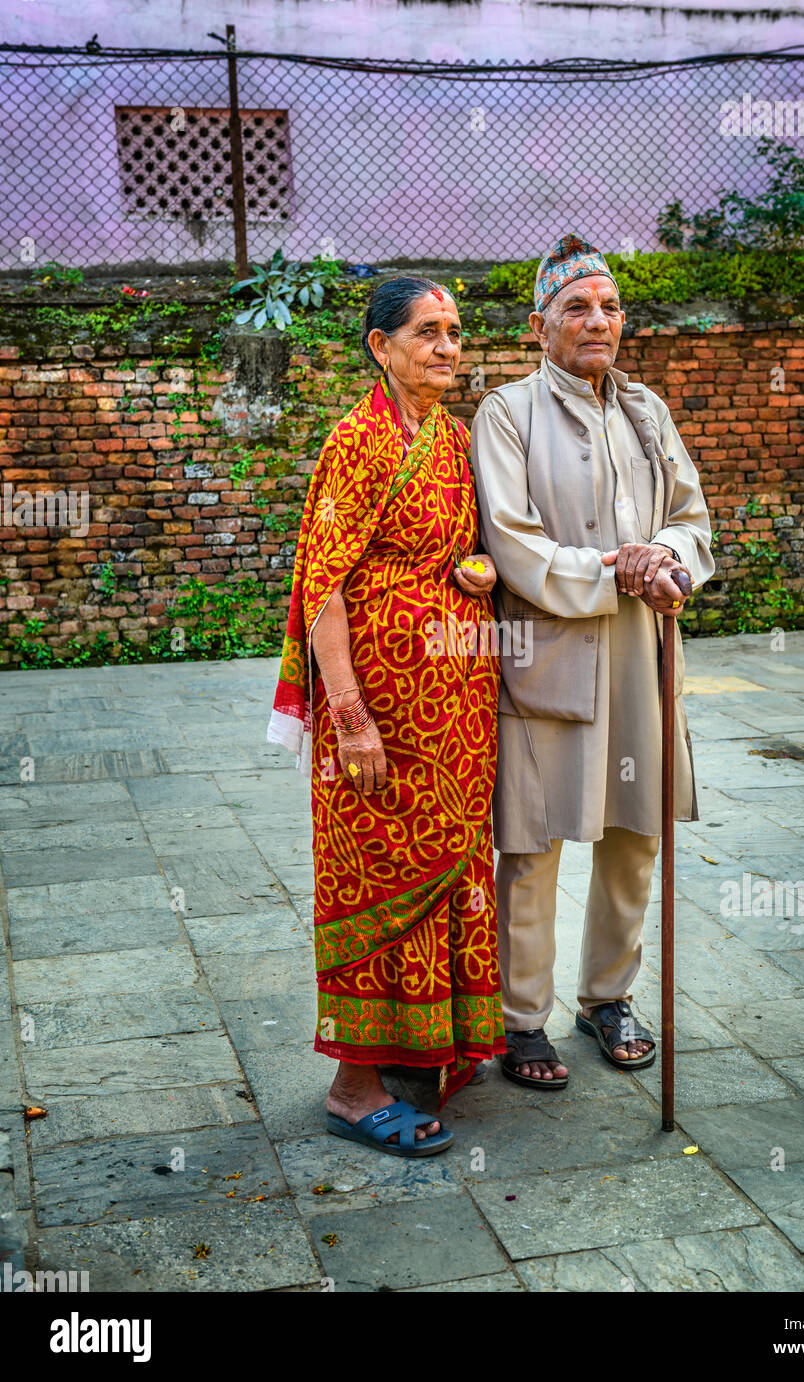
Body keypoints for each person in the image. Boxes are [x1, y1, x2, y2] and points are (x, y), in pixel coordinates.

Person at [470, 234, 714, 1089]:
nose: (597, 321)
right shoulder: (507, 413)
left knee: (633, 834)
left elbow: (692, 517)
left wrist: (668, 557)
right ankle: (520, 1020)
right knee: (533, 844)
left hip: (642, 652)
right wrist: (620, 566)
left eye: (609, 307)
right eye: (578, 307)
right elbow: (514, 547)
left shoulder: (647, 409)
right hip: (552, 655)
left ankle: (607, 998)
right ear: (541, 325)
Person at [268, 276, 506, 1155]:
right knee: (374, 881)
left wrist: (476, 570)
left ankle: (430, 1050)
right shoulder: (357, 441)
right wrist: (353, 719)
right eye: (428, 332)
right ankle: (354, 1086)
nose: (449, 347)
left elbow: (465, 547)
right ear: (380, 345)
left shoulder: (453, 439)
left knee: (452, 869)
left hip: (456, 706)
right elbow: (322, 584)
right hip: (377, 713)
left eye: (455, 332)